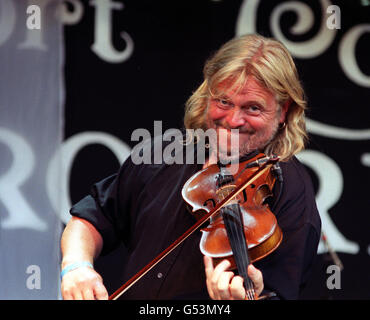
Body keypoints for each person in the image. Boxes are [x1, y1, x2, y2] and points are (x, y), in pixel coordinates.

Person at [60, 34, 321, 300]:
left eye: (252, 108)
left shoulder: (291, 192)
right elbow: (91, 218)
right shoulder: (162, 154)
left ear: (283, 111)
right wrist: (76, 266)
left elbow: (279, 294)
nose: (233, 120)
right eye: (223, 102)